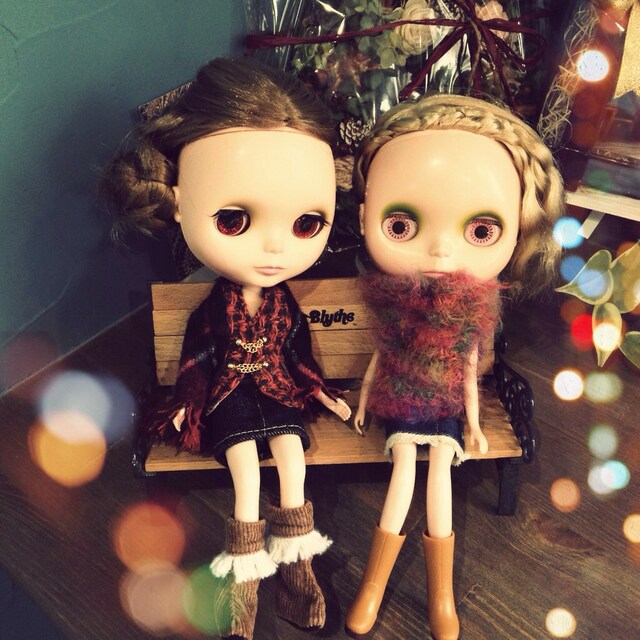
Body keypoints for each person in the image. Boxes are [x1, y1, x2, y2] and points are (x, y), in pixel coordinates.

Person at [101, 57, 351, 640]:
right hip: (231, 399)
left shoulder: (286, 305)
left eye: (306, 223)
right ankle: (244, 589)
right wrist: (188, 401)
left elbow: (297, 356)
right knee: (245, 476)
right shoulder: (213, 309)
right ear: (178, 202)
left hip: (279, 394)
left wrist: (321, 392)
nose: (274, 248)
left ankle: (298, 574)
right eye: (235, 220)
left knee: (293, 464)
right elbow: (197, 360)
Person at [345, 93, 564, 640]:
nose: (441, 251)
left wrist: (474, 425)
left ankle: (441, 596)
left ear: (520, 229)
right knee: (402, 478)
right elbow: (380, 359)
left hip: (443, 412)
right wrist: (363, 403)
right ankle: (372, 585)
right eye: (401, 225)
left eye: (481, 231)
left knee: (439, 478)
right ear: (365, 216)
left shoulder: (469, 315)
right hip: (402, 406)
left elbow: (468, 375)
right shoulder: (394, 307)